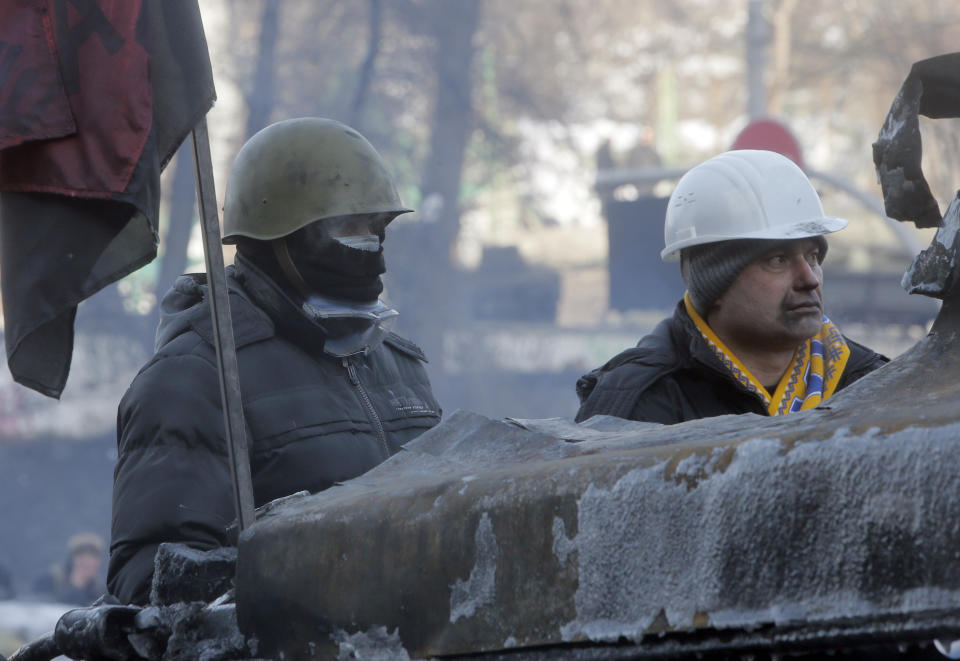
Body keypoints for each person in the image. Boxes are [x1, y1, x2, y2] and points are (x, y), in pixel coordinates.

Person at [108, 118, 442, 605]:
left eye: (377, 229)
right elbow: (152, 591)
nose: (371, 248)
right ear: (278, 236)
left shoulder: (402, 368)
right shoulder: (197, 378)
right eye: (347, 227)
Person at [576, 149, 888, 425]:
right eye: (778, 260)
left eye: (813, 256)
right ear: (715, 283)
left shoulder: (872, 386)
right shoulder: (638, 410)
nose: (809, 278)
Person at [33, 533, 106, 605]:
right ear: (72, 560)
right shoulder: (50, 581)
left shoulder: (100, 591)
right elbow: (45, 610)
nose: (88, 563)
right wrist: (75, 587)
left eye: (92, 564)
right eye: (82, 563)